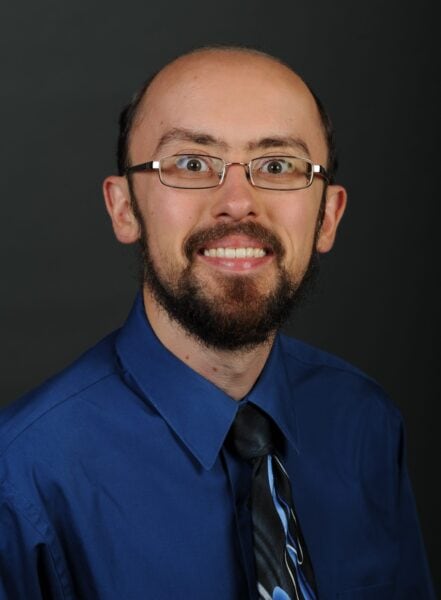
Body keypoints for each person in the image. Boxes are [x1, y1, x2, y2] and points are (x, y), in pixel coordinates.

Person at [0, 46, 435, 600]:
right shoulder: (20, 479)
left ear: (327, 217)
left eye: (277, 166)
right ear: (124, 208)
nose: (237, 203)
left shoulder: (365, 424)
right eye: (191, 164)